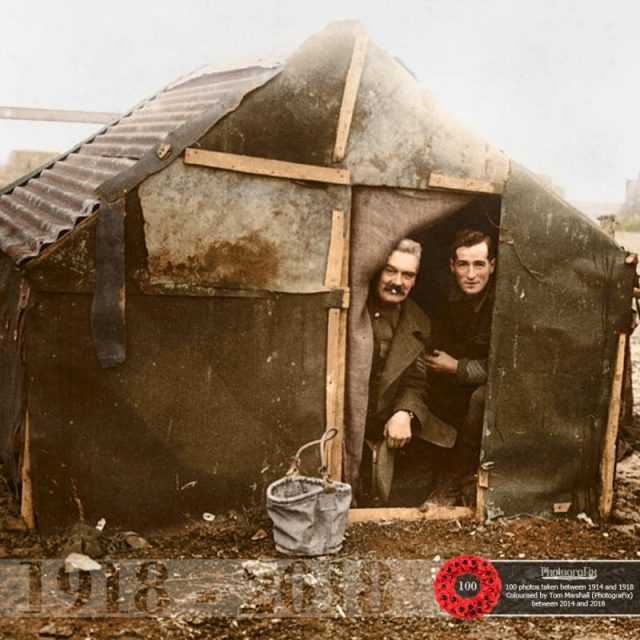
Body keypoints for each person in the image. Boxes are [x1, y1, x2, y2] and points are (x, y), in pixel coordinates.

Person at [363, 238, 456, 502]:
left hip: (387, 423)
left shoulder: (418, 321)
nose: (397, 282)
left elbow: (416, 380)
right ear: (376, 271)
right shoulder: (352, 308)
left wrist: (405, 412)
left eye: (408, 275)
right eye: (390, 271)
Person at [423, 229, 496, 506]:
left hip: (490, 384)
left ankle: (455, 478)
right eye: (463, 264)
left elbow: (505, 367)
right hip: (457, 380)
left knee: (480, 398)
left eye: (479, 264)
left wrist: (457, 368)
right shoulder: (447, 297)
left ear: (492, 265)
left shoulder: (502, 302)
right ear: (452, 266)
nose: (471, 274)